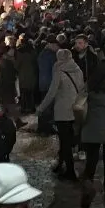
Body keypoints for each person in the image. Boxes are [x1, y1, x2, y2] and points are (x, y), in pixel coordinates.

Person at [78, 68, 105, 208]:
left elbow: (78, 102)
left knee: (91, 161)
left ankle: (88, 188)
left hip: (92, 128)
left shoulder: (90, 89)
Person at [36, 48, 83, 182]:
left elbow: (52, 91)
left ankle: (70, 171)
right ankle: (61, 164)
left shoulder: (59, 70)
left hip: (63, 110)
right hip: (76, 109)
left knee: (64, 141)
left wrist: (41, 108)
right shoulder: (77, 69)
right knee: (67, 140)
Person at [35, 37, 58, 134]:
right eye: (56, 46)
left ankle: (41, 127)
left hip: (42, 82)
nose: (57, 48)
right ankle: (46, 128)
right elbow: (54, 69)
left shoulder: (41, 54)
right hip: (49, 83)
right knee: (48, 106)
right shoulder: (51, 55)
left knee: (44, 105)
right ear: (51, 44)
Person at [14, 38, 38, 115]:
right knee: (30, 92)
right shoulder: (33, 51)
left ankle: (24, 108)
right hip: (32, 74)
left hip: (23, 74)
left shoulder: (19, 52)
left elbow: (17, 65)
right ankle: (32, 107)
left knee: (24, 92)